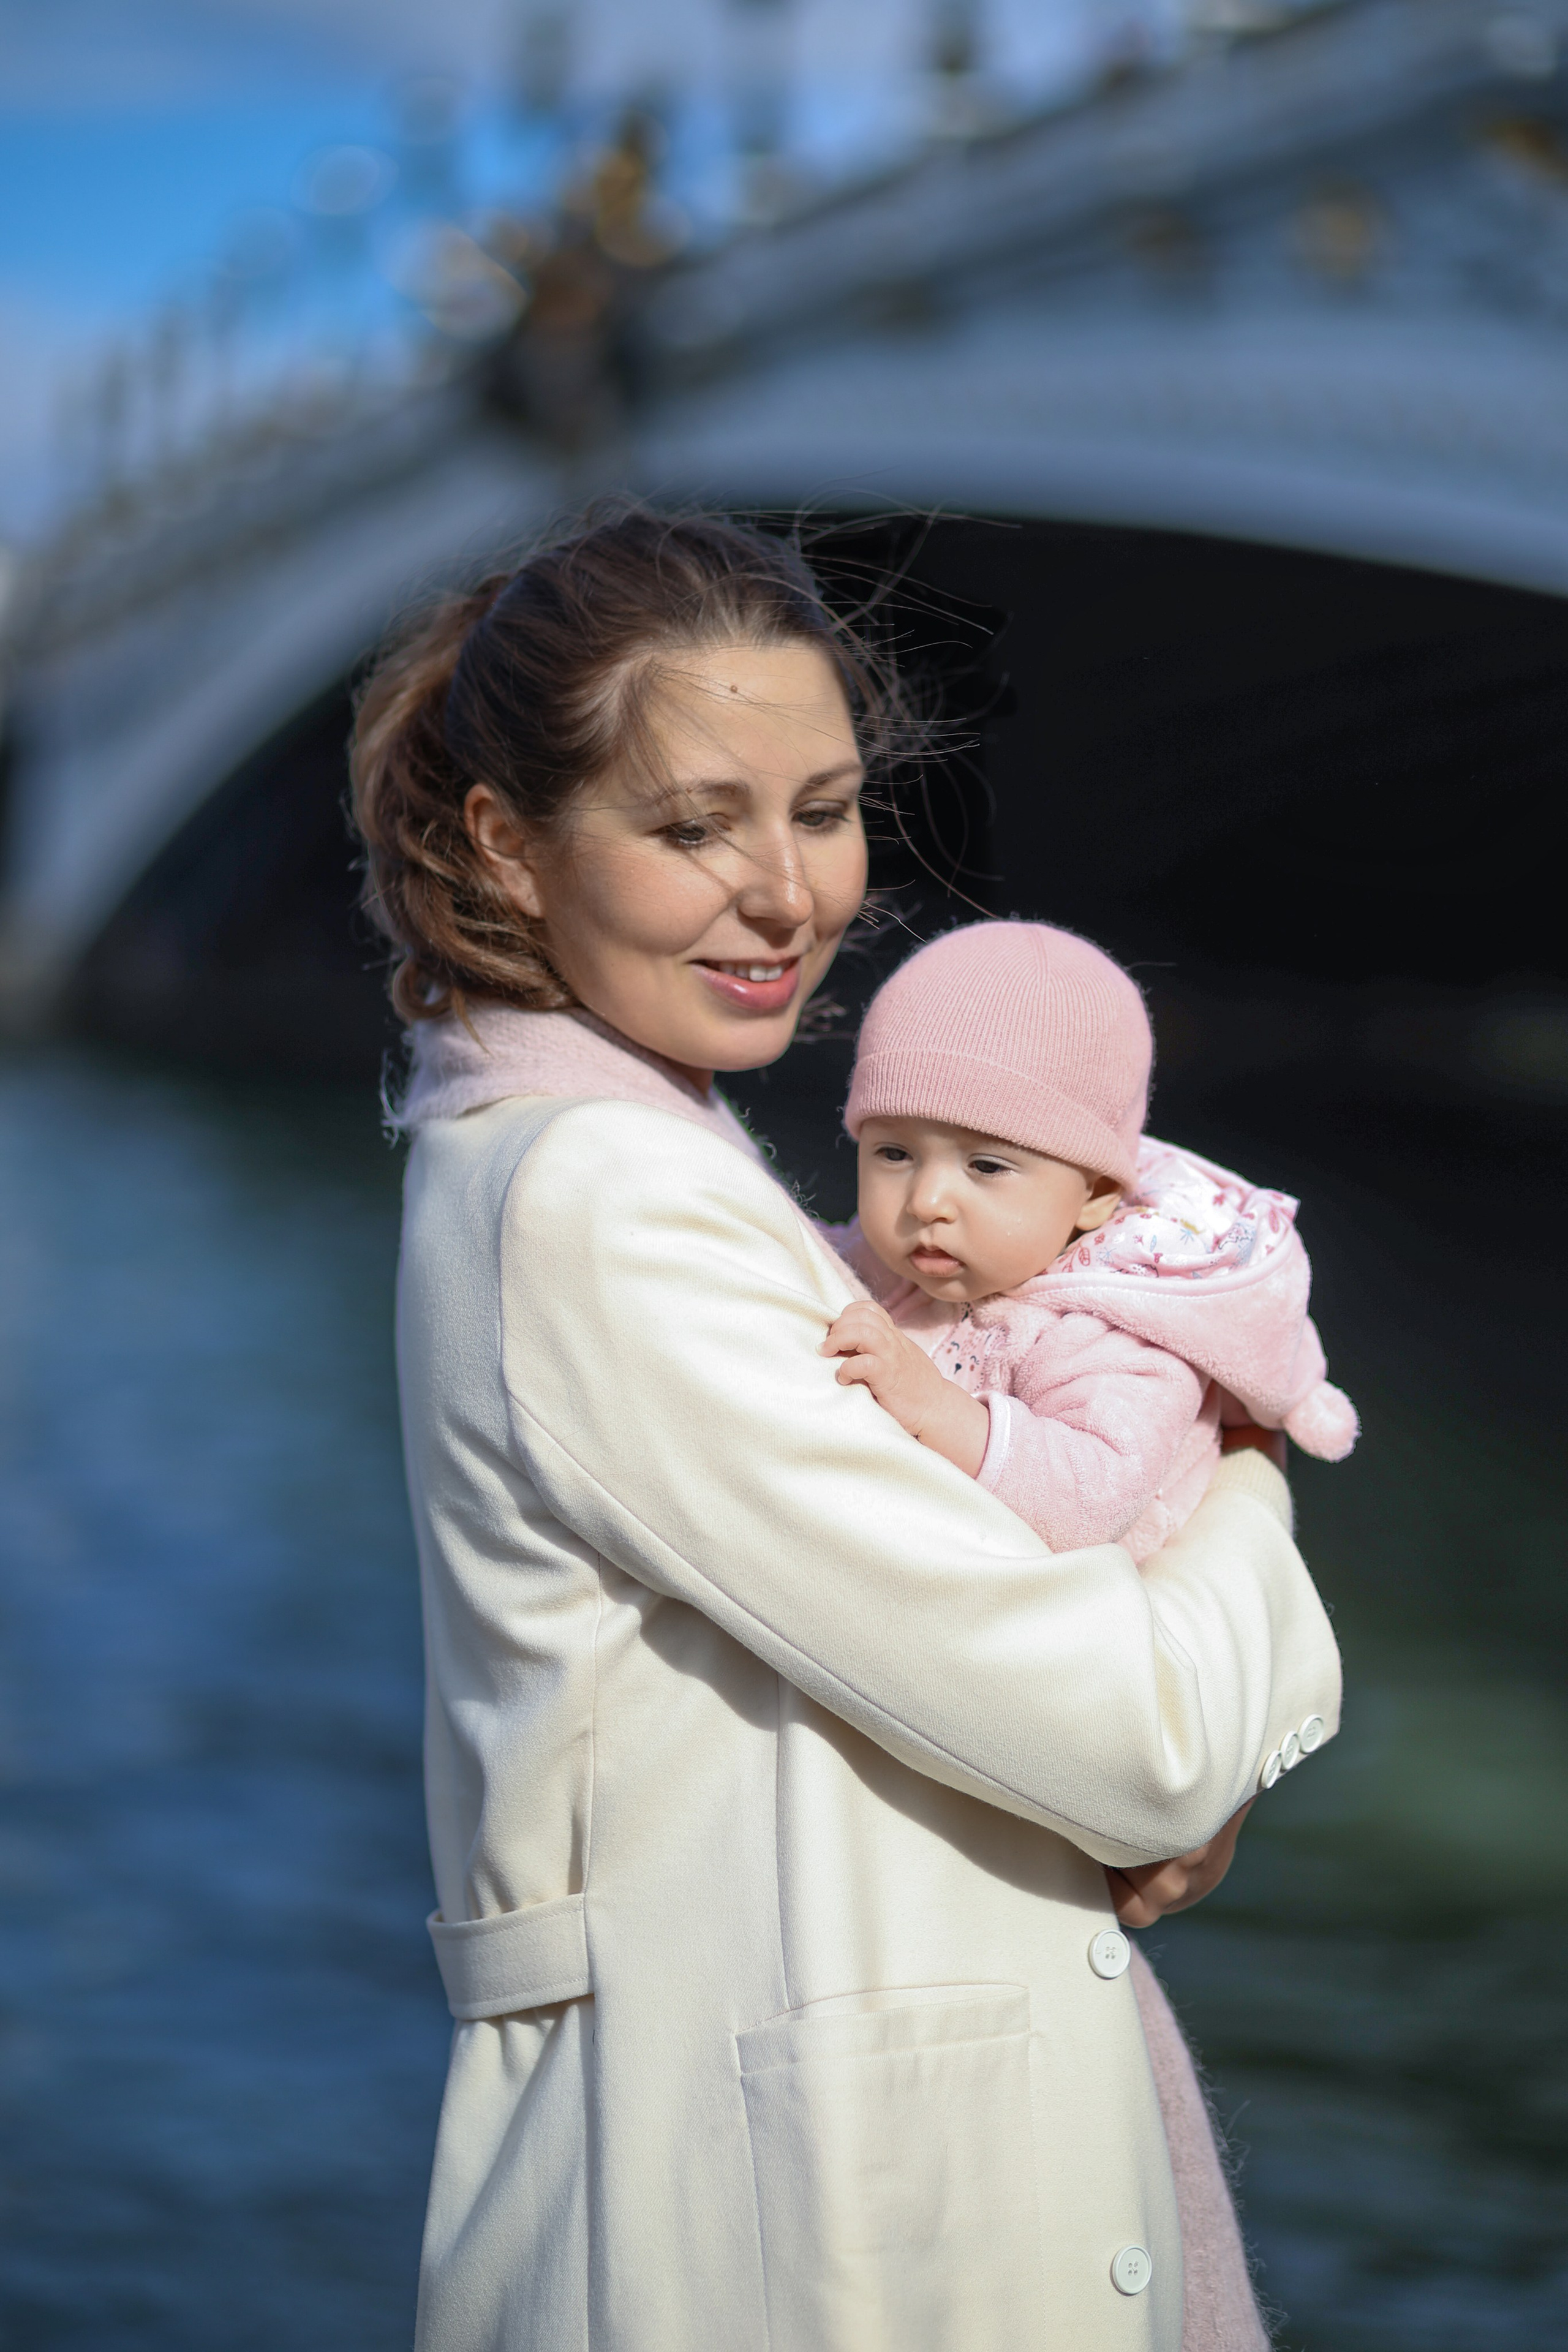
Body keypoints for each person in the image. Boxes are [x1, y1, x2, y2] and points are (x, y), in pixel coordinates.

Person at [350, 502, 1341, 2352]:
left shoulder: (620, 1170)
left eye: (817, 807)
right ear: (507, 841)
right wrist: (1239, 1451)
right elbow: (1141, 1729)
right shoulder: (605, 1204)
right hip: (784, 2236)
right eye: (689, 823)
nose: (787, 891)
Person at [820, 921, 1358, 1570]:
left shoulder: (1122, 1330)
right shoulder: (900, 1251)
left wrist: (935, 1407)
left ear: (1096, 1193)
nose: (925, 1201)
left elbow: (1090, 1500)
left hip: (1094, 1608)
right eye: (894, 1152)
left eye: (986, 1167)